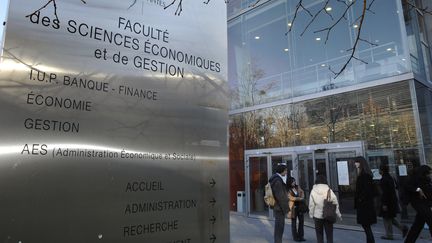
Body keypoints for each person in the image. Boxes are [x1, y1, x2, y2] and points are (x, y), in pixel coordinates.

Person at [379, 164, 408, 240]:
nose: (379, 171)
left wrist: (384, 203)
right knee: (390, 218)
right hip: (392, 201)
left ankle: (389, 235)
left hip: (387, 202)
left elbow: (385, 192)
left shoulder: (384, 179)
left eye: (380, 170)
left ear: (381, 171)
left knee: (386, 218)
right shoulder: (390, 177)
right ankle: (403, 228)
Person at [309, 175, 341, 243]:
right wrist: (338, 214)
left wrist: (311, 214)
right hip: (328, 215)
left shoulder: (313, 190)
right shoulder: (329, 190)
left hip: (317, 216)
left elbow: (311, 204)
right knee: (329, 235)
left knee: (319, 234)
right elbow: (335, 203)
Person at [404, 165, 432, 243]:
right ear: (423, 173)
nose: (429, 175)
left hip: (425, 203)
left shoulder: (427, 180)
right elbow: (407, 186)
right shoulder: (415, 179)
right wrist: (418, 189)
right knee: (430, 220)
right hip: (418, 203)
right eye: (428, 173)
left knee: (417, 225)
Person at [354, 156, 377, 243]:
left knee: (366, 227)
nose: (355, 164)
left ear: (361, 163)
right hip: (366, 205)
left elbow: (366, 191)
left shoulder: (364, 175)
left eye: (356, 162)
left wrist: (360, 199)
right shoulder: (366, 174)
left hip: (364, 206)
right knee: (367, 227)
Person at [269, 163, 289, 243]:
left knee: (279, 226)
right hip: (279, 207)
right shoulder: (278, 180)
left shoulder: (275, 179)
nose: (286, 172)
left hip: (277, 206)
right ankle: (278, 241)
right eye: (286, 171)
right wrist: (286, 209)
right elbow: (280, 196)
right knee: (279, 226)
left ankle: (278, 241)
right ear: (282, 171)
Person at [287, 176, 306, 242]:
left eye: (294, 181)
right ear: (289, 182)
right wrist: (299, 199)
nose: (294, 182)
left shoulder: (297, 187)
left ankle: (301, 236)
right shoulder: (288, 189)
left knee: (301, 222)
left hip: (300, 207)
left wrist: (302, 197)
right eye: (292, 181)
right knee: (294, 223)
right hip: (293, 208)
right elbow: (290, 197)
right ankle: (295, 237)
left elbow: (302, 192)